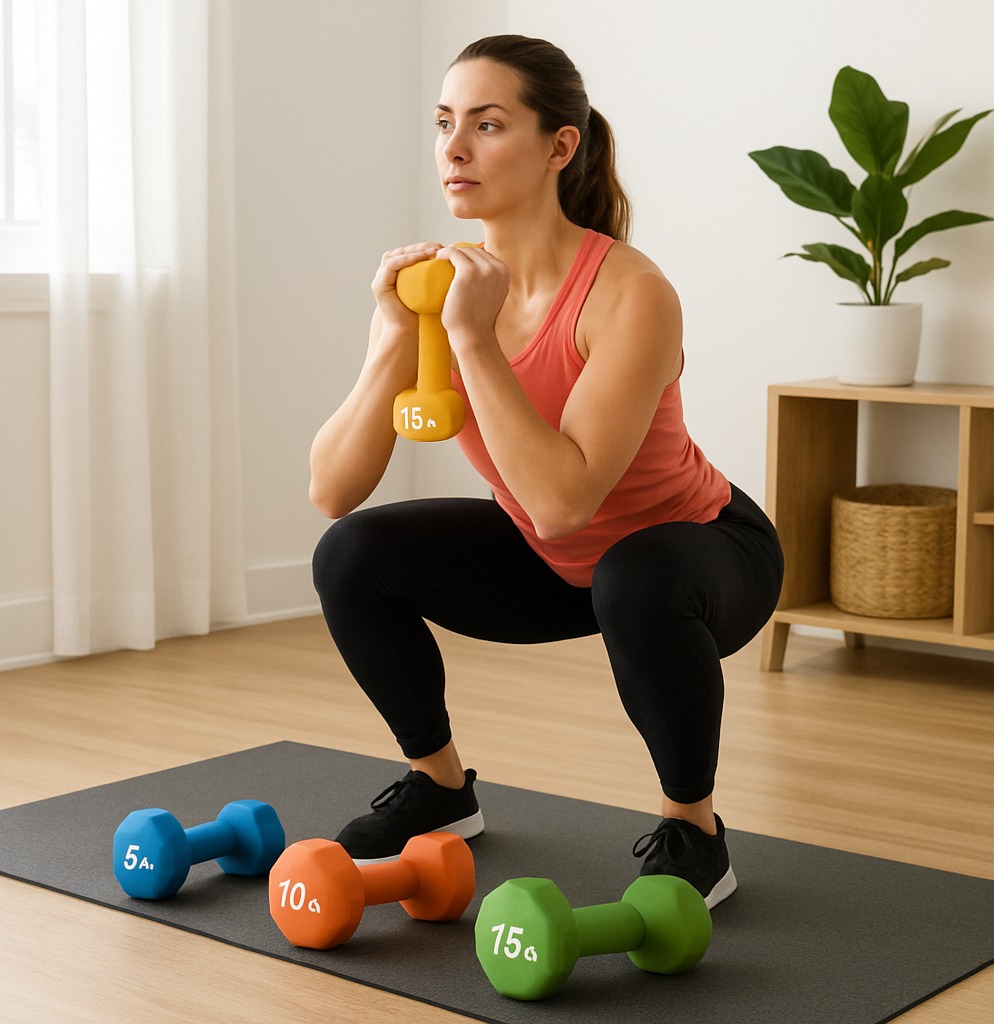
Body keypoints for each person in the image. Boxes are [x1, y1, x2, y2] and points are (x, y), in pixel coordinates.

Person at [308, 34, 783, 908]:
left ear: (560, 146)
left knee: (635, 573)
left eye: (488, 125)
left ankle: (696, 829)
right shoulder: (438, 294)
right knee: (350, 550)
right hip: (558, 561)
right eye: (446, 122)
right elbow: (333, 490)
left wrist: (473, 339)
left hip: (700, 554)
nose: (454, 149)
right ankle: (441, 789)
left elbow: (566, 501)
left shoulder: (630, 291)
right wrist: (391, 340)